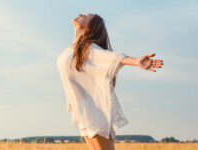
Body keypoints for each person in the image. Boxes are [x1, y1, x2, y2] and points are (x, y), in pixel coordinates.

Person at [56, 13, 164, 150]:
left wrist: (136, 61)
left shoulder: (89, 49)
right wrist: (77, 33)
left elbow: (114, 57)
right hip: (82, 113)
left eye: (86, 16)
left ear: (89, 27)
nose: (80, 14)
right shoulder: (74, 50)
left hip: (96, 114)